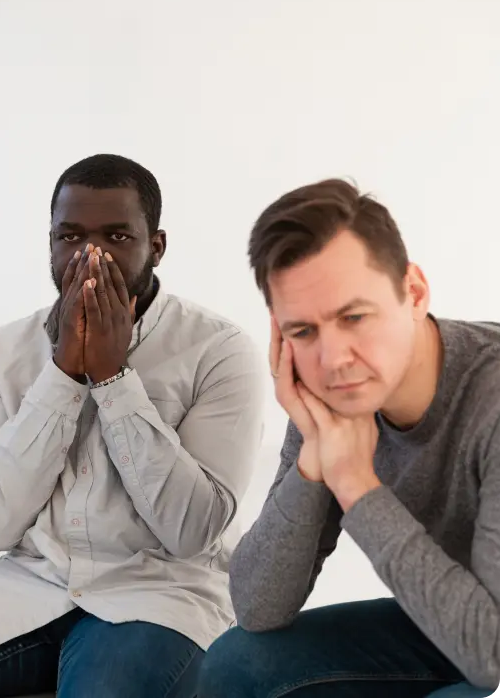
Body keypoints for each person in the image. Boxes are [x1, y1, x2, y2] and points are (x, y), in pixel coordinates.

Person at [0, 153, 265, 698]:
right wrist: (62, 374)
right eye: (71, 236)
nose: (90, 255)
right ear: (50, 243)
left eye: (117, 236)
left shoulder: (219, 350)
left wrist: (112, 379)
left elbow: (192, 531)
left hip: (160, 597)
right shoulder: (2, 351)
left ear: (157, 246)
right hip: (26, 588)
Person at [197, 179, 498, 697]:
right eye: (303, 331)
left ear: (414, 293)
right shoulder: (331, 392)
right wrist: (314, 459)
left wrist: (356, 484)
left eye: (353, 317)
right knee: (236, 666)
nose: (333, 359)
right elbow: (257, 608)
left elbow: (492, 654)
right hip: (454, 620)